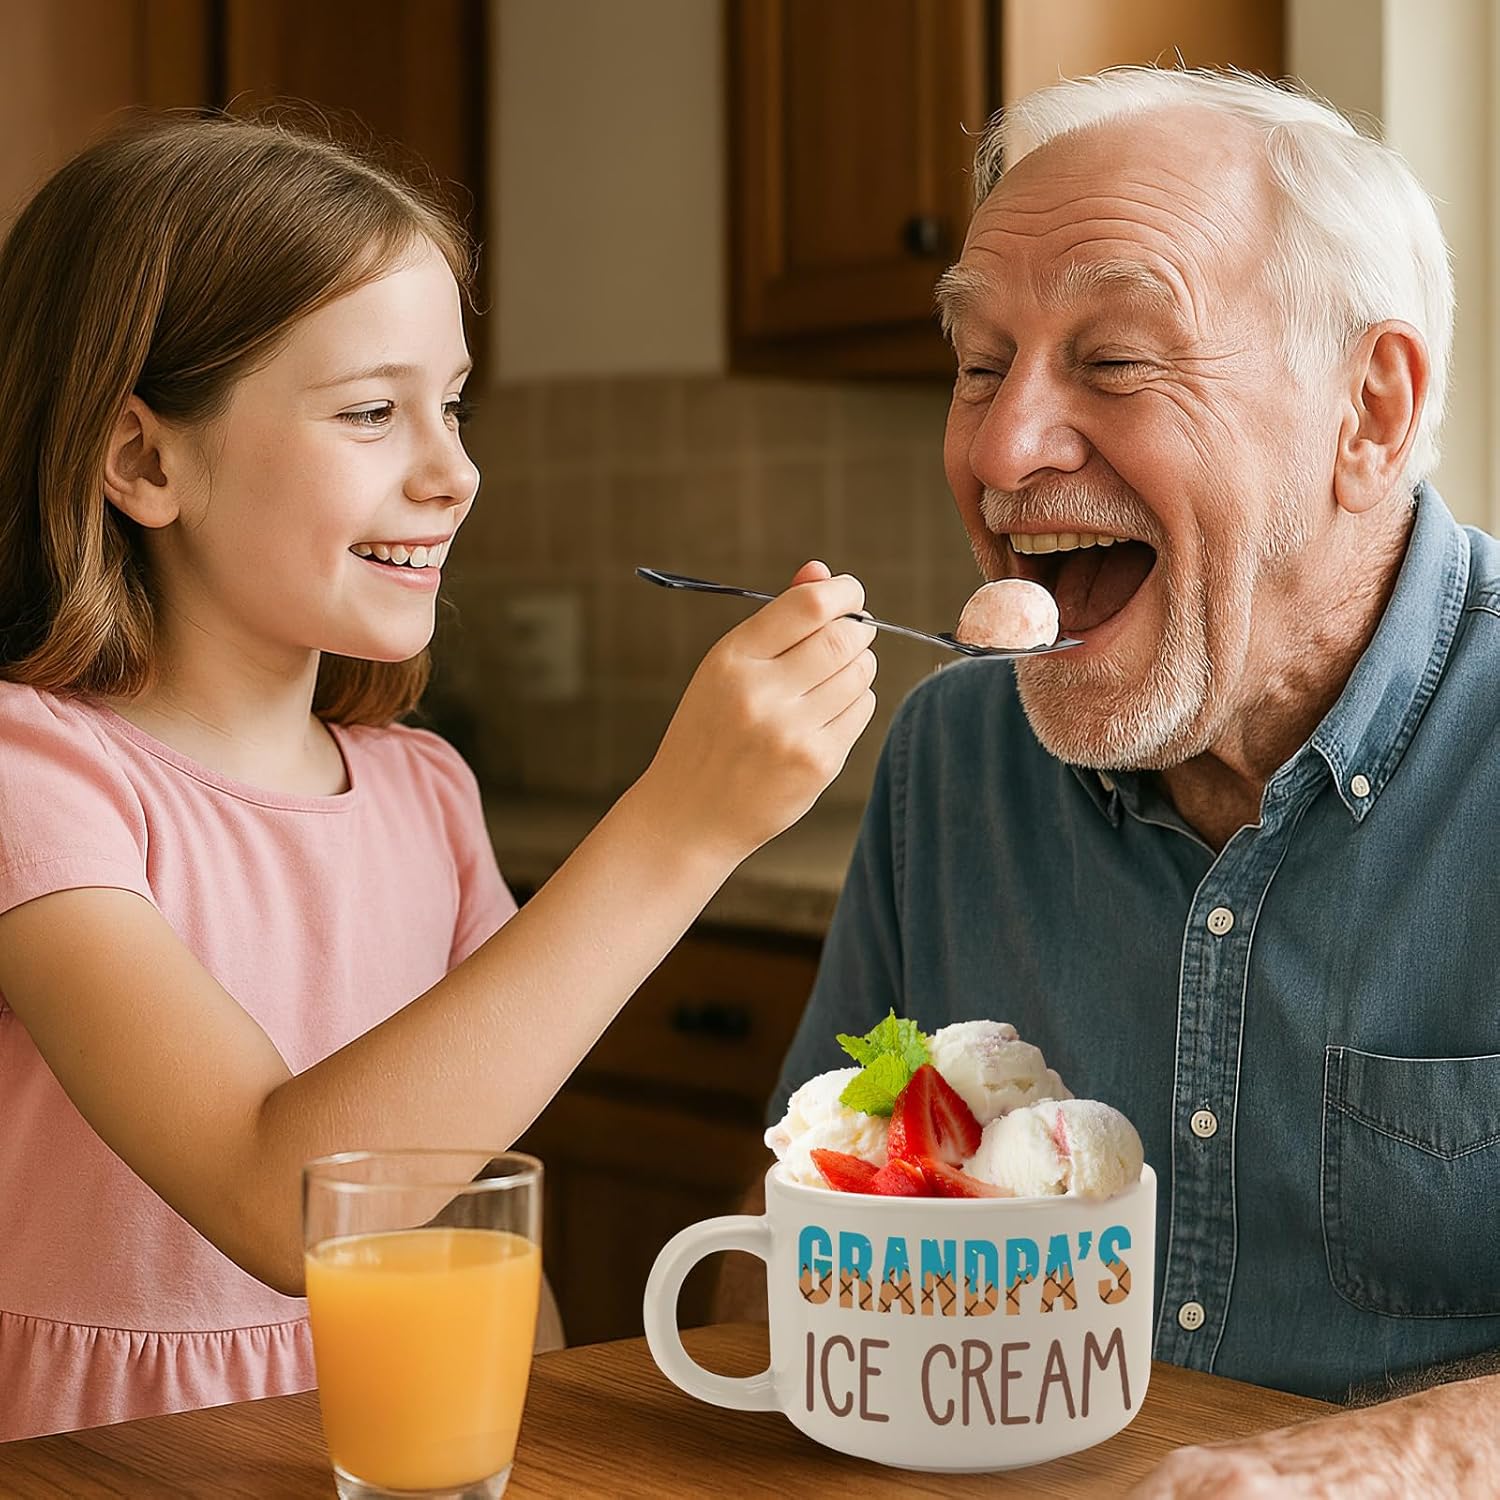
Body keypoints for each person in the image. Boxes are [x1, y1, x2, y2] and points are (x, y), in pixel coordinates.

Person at [0, 115, 878, 1441]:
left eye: (452, 403)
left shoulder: (426, 797)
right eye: (369, 412)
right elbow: (277, 1196)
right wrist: (679, 829)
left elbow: (471, 1208)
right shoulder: (36, 777)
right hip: (98, 1464)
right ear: (144, 459)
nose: (455, 471)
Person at [762, 68, 1500, 1496]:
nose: (999, 449)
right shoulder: (952, 759)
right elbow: (806, 1224)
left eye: (1113, 362)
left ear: (1369, 412)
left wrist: (1347, 1471)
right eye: (980, 365)